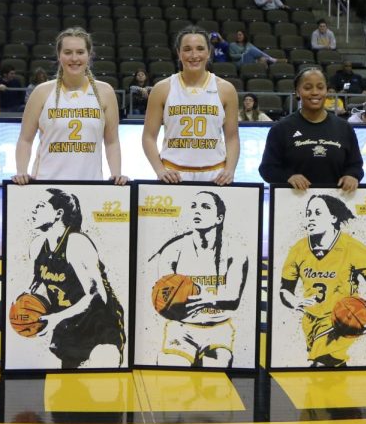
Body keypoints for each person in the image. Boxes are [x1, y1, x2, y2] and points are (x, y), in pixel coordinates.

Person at [24, 187, 126, 369]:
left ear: (58, 214)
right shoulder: (37, 246)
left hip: (100, 324)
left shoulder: (76, 243)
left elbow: (95, 296)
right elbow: (37, 284)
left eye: (40, 206)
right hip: (69, 327)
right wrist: (23, 306)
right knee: (72, 388)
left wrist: (55, 318)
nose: (33, 210)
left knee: (104, 389)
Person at [278, 193, 366, 367]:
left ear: (333, 218)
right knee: (331, 368)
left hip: (342, 319)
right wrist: (295, 301)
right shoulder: (298, 249)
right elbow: (285, 290)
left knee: (320, 365)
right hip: (311, 321)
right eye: (308, 213)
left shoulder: (352, 246)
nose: (311, 218)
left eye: (318, 213)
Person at [148, 190, 249, 367]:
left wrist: (207, 299)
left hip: (218, 327)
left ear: (219, 218)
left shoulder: (235, 251)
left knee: (216, 372)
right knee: (171, 370)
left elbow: (233, 299)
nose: (197, 211)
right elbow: (162, 297)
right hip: (181, 328)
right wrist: (173, 305)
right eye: (194, 206)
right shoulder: (173, 250)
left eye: (205, 207)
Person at [13, 28, 126, 184]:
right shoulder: (41, 92)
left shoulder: (105, 92)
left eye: (80, 52)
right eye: (68, 52)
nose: (74, 58)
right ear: (59, 55)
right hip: (46, 184)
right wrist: (21, 172)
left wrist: (116, 174)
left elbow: (112, 141)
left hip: (90, 185)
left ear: (89, 55)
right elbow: (25, 139)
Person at [142, 27, 240, 184]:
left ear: (209, 52)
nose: (194, 55)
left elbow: (232, 137)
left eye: (200, 49)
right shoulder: (162, 88)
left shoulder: (226, 89)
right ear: (178, 53)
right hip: (173, 174)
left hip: (215, 175)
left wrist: (230, 170)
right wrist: (160, 170)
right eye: (187, 49)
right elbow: (148, 136)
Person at [260, 67, 363, 191]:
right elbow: (267, 169)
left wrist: (352, 175)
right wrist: (288, 177)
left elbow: (356, 165)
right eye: (307, 88)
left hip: (336, 203)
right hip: (291, 204)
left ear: (326, 91)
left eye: (320, 87)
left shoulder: (344, 128)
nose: (315, 92)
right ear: (297, 92)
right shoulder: (281, 129)